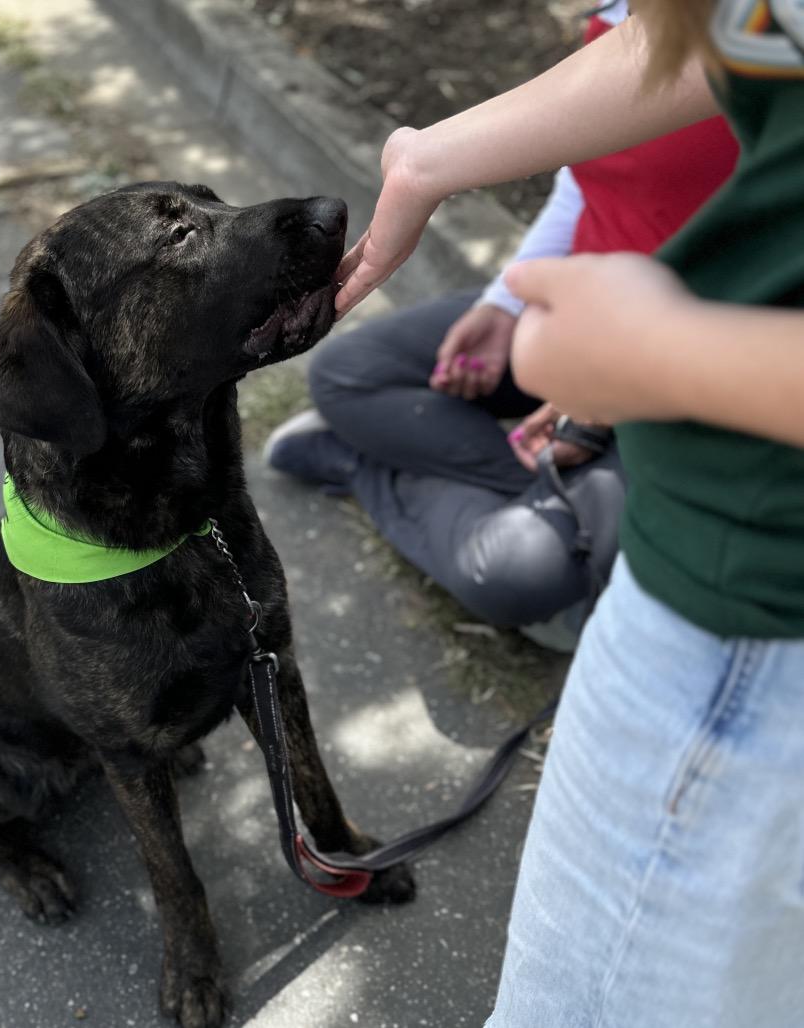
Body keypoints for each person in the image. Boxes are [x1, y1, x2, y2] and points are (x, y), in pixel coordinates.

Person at [332, 2, 804, 1025]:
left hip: (757, 607)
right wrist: (425, 164)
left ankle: (508, 504)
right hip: (694, 509)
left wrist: (662, 355)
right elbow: (739, 27)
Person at [266, 2, 738, 650]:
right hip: (578, 314)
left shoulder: (763, 43)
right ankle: (564, 516)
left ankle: (376, 468)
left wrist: (622, 390)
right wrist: (503, 303)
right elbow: (588, 178)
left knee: (511, 574)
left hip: (703, 379)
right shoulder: (629, 17)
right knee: (347, 373)